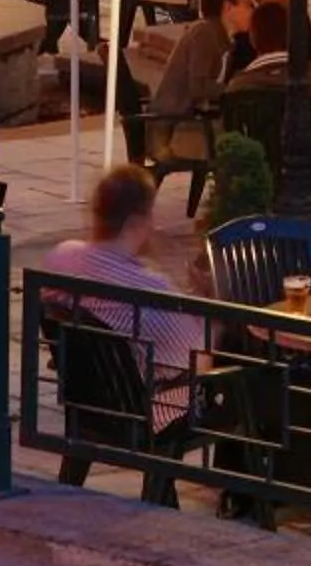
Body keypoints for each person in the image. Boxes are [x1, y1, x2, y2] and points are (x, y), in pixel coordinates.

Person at [42, 167, 212, 428]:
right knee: (246, 367)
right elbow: (199, 362)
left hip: (90, 402)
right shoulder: (150, 292)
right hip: (150, 412)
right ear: (135, 222)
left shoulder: (61, 258)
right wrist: (210, 303)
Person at [151, 0, 254, 138]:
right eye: (247, 4)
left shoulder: (224, 39)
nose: (252, 11)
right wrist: (233, 89)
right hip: (174, 128)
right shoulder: (204, 33)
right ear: (228, 7)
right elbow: (198, 87)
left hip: (190, 122)